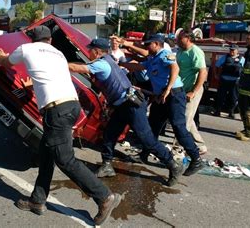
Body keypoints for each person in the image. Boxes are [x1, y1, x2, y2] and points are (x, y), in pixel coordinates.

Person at [0, 26, 121, 225]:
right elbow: (47, 76)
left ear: (31, 40)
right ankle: (37, 200)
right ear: (50, 40)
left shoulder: (27, 49)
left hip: (56, 110)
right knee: (46, 154)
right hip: (71, 105)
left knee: (64, 159)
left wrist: (1, 56)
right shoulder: (59, 54)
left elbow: (6, 63)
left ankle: (104, 196)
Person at [68, 38, 184, 187]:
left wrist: (58, 63)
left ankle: (173, 164)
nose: (88, 52)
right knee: (109, 134)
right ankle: (107, 165)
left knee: (146, 139)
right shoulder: (107, 59)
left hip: (131, 105)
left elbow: (78, 68)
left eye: (90, 49)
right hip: (123, 105)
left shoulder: (102, 64)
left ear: (96, 51)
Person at [120, 34, 203, 176]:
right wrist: (120, 64)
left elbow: (175, 69)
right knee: (153, 125)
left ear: (157, 44)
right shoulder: (153, 58)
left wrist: (168, 89)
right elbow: (139, 66)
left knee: (178, 127)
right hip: (162, 96)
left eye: (148, 44)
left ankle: (196, 159)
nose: (146, 47)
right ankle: (145, 153)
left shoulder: (165, 54)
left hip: (174, 94)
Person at [176, 30, 208, 154]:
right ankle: (200, 146)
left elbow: (203, 72)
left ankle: (178, 148)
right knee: (188, 118)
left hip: (193, 90)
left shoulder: (196, 52)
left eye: (180, 39)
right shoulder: (180, 51)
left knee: (183, 121)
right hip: (182, 90)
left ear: (188, 38)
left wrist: (193, 92)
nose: (177, 41)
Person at [213, 44, 245, 118]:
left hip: (235, 81)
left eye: (233, 50)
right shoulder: (224, 57)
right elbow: (216, 66)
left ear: (237, 51)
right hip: (224, 80)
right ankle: (217, 111)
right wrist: (216, 74)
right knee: (220, 96)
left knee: (233, 98)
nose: (231, 51)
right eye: (231, 50)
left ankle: (231, 112)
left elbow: (245, 69)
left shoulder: (242, 59)